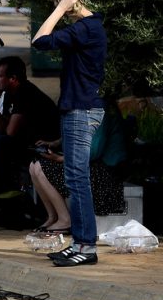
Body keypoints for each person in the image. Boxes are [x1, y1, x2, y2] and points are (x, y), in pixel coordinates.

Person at [31, 0, 107, 267]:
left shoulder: (86, 28)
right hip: (78, 109)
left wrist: (60, 9)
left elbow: (39, 41)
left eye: (56, 1)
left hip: (81, 110)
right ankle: (79, 243)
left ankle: (86, 246)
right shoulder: (86, 28)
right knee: (75, 180)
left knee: (77, 180)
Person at [0, 56, 59, 212]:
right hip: (22, 139)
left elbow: (9, 133)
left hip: (41, 144)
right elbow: (2, 127)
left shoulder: (25, 93)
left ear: (13, 78)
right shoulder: (8, 92)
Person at [29, 99, 127, 235]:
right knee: (33, 166)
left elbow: (93, 151)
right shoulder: (86, 104)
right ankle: (52, 217)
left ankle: (65, 220)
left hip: (106, 170)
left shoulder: (100, 108)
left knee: (41, 168)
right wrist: (54, 143)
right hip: (91, 163)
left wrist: (60, 158)